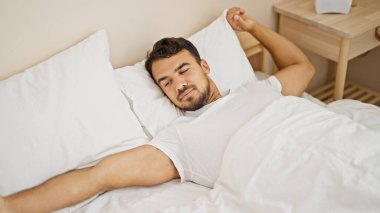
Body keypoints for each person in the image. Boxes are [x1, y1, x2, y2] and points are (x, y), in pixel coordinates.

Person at [0, 7, 315, 213]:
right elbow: (98, 177)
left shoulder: (257, 91)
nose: (178, 84)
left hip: (313, 140)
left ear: (205, 66)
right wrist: (8, 206)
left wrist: (253, 27)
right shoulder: (181, 139)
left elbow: (302, 67)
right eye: (166, 82)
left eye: (183, 70)